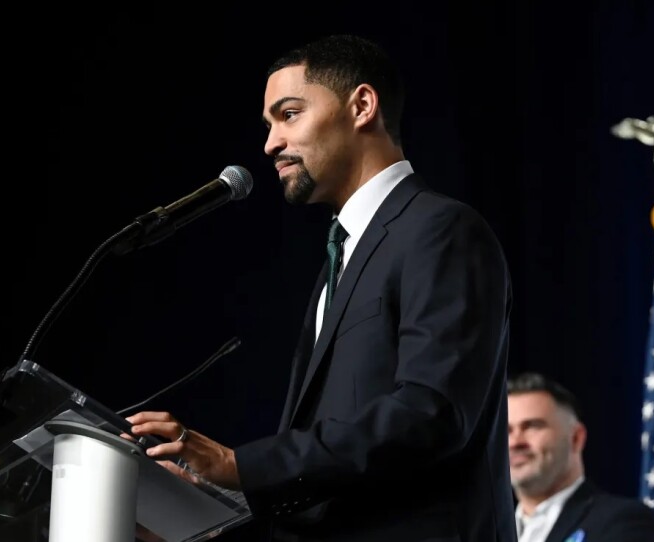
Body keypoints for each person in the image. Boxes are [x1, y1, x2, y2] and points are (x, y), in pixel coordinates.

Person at [127, 33, 516, 541]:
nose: (270, 144)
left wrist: (238, 465)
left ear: (361, 106)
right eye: (268, 125)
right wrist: (206, 514)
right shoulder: (343, 254)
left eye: (288, 115)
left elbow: (431, 414)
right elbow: (330, 471)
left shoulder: (441, 230)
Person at [507, 371, 654, 542]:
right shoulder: (484, 530)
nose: (515, 442)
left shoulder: (625, 522)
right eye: (506, 431)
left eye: (532, 426)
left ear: (576, 438)